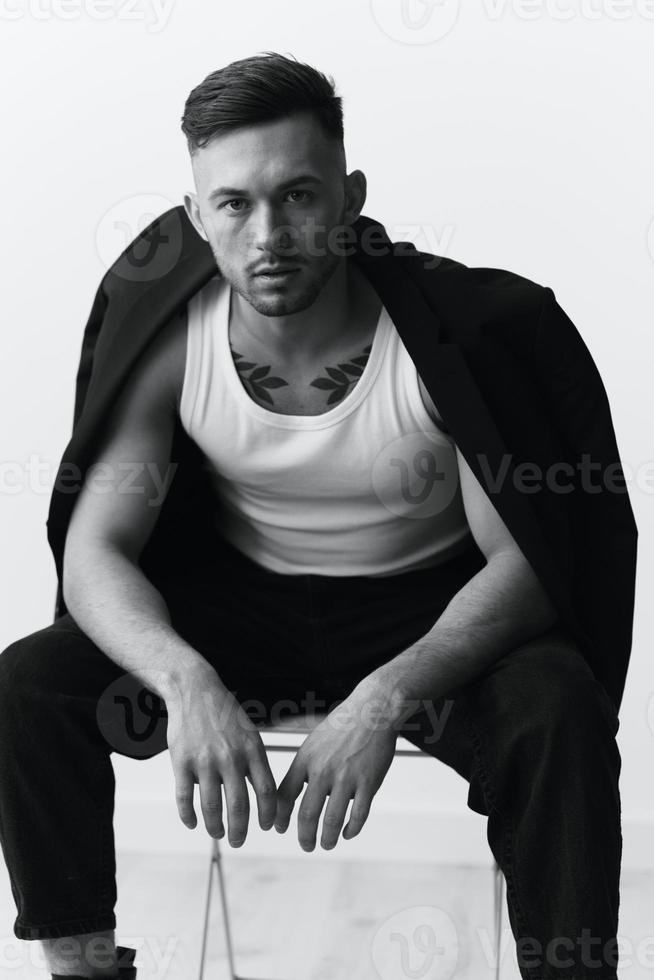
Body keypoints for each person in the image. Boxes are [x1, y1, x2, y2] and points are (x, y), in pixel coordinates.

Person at [0, 51, 636, 979]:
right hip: (238, 606)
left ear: (350, 197)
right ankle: (84, 968)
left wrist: (384, 696)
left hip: (427, 614)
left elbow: (527, 565)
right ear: (194, 218)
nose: (269, 234)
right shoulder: (170, 332)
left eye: (298, 195)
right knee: (28, 687)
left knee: (558, 710)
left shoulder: (450, 334)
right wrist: (183, 680)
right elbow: (97, 547)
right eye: (233, 205)